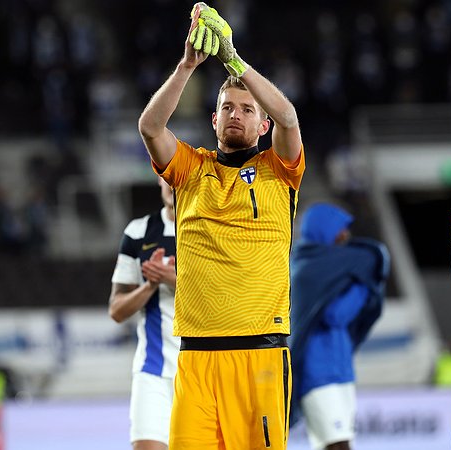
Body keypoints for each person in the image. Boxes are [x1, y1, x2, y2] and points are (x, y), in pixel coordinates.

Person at [137, 2, 304, 448]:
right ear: (214, 120)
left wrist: (233, 61)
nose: (235, 114)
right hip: (196, 357)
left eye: (247, 110)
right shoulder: (190, 168)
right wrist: (187, 66)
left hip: (260, 354)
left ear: (263, 125)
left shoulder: (279, 169)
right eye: (227, 107)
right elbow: (150, 127)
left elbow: (289, 118)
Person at [288, 203, 389, 450]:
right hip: (318, 373)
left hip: (342, 371)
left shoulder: (338, 271)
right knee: (338, 445)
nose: (346, 235)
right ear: (324, 229)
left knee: (333, 445)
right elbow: (335, 316)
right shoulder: (306, 270)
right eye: (339, 229)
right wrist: (364, 287)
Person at [108, 176, 178, 450]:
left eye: (178, 176)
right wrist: (150, 286)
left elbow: (225, 299)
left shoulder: (211, 228)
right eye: (167, 178)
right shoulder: (139, 231)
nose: (172, 184)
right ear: (159, 179)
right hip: (153, 370)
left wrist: (172, 279)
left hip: (203, 370)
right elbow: (116, 310)